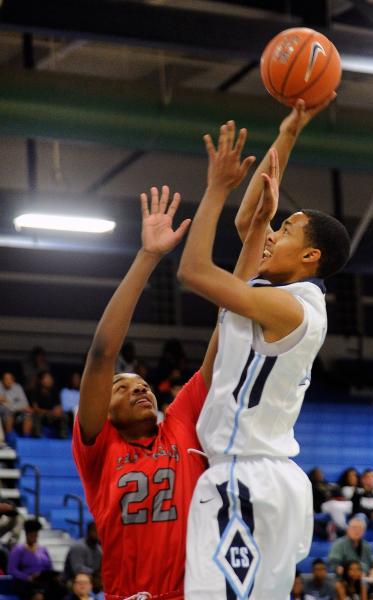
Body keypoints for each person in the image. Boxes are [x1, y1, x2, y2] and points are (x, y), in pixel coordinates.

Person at [178, 108, 350, 596]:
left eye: (287, 231)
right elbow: (250, 220)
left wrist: (214, 188)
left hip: (245, 478)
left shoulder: (287, 309)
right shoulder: (282, 295)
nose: (272, 234)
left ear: (310, 257)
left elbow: (193, 271)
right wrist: (288, 131)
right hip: (265, 480)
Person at [73, 187, 264, 600]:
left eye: (140, 383)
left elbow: (228, 326)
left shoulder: (178, 426)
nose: (137, 386)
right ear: (101, 413)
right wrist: (149, 256)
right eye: (120, 388)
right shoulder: (99, 449)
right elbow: (103, 352)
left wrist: (253, 234)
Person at [8, 518, 67, 600]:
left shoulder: (43, 549)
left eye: (35, 535)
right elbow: (12, 570)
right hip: (26, 582)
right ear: (26, 534)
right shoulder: (18, 549)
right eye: (31, 535)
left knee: (62, 590)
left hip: (43, 581)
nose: (34, 537)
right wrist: (27, 577)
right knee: (38, 596)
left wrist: (53, 576)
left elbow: (49, 567)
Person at [30, 371, 69, 438]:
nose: (50, 380)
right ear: (42, 381)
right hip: (42, 414)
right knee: (36, 415)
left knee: (64, 416)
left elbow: (59, 406)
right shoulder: (36, 392)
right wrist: (49, 412)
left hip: (53, 415)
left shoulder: (55, 391)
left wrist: (58, 410)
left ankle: (63, 436)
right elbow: (35, 408)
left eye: (50, 378)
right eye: (47, 378)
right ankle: (38, 436)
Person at [0, 371, 36, 437]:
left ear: (13, 380)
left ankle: (26, 438)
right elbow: (4, 405)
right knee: (7, 411)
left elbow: (25, 404)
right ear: (2, 380)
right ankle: (9, 437)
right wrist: (17, 406)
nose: (8, 381)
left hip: (17, 413)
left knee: (28, 414)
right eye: (6, 379)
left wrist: (9, 404)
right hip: (3, 414)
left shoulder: (18, 387)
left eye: (10, 379)